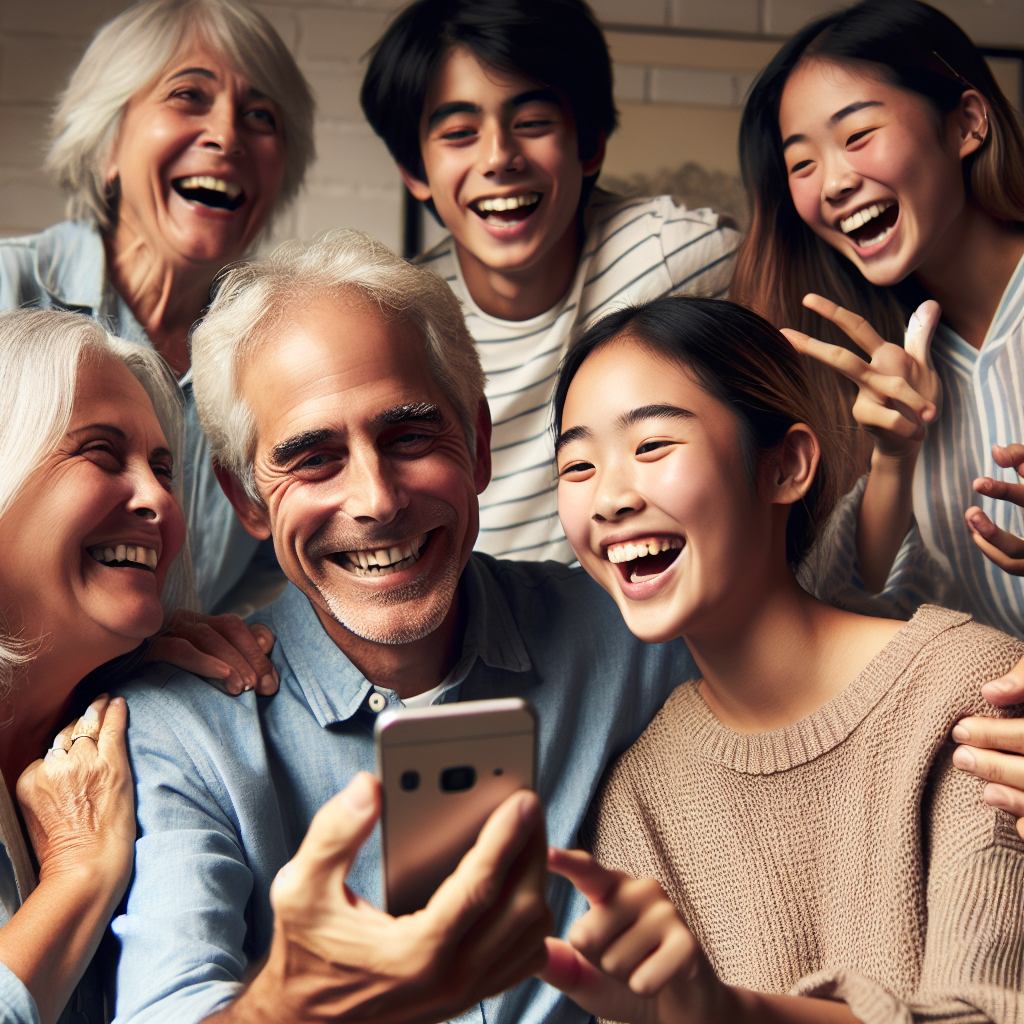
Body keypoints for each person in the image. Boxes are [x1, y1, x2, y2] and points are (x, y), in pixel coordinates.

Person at [107, 229, 698, 1024]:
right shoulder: (181, 729)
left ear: (479, 445)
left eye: (410, 436)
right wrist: (286, 1002)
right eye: (312, 458)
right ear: (246, 498)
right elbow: (166, 1005)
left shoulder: (634, 632)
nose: (378, 500)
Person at [539, 296, 1023, 1024]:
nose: (608, 498)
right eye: (577, 465)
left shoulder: (970, 692)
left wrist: (724, 1013)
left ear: (787, 467)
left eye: (653, 446)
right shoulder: (637, 796)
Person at [729, 0, 1024, 828]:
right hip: (960, 800)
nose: (833, 182)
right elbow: (832, 617)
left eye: (857, 134)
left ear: (967, 123)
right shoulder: (836, 371)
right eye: (801, 163)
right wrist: (892, 457)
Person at [361, 0, 739, 563]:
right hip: (473, 606)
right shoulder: (400, 320)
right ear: (415, 170)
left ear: (589, 144)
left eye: (533, 123)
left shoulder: (677, 254)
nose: (499, 158)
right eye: (460, 132)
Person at [0, 0, 315, 617]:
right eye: (188, 96)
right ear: (107, 144)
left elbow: (268, 573)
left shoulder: (275, 354)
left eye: (260, 116)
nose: (227, 136)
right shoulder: (7, 290)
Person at [0, 307, 259, 1024]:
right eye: (102, 454)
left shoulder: (145, 730)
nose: (158, 500)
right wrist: (77, 875)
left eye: (163, 470)